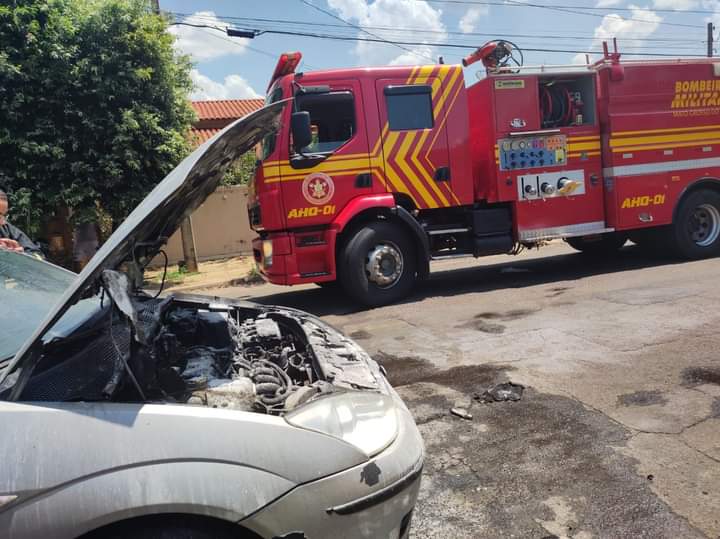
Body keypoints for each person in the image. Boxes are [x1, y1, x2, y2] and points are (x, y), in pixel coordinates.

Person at [0, 189, 43, 256]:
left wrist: (23, 255)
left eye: (4, 215)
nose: (2, 222)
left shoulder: (7, 230)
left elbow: (38, 255)